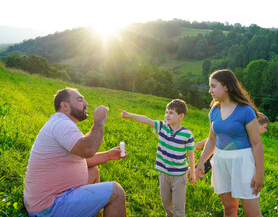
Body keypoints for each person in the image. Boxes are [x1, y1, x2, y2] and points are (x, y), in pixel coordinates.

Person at [24, 88, 127, 217]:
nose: (86, 103)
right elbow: (87, 149)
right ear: (64, 105)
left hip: (46, 201)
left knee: (93, 171)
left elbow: (82, 159)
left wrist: (108, 155)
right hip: (49, 207)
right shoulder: (61, 124)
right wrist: (99, 122)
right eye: (79, 100)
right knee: (116, 191)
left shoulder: (60, 122)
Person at [196, 69, 264, 217]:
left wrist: (259, 173)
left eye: (213, 86)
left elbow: (256, 143)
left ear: (226, 86)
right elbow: (212, 139)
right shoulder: (214, 110)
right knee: (229, 208)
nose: (210, 90)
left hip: (243, 162)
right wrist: (202, 161)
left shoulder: (245, 111)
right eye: (210, 87)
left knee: (252, 213)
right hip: (220, 161)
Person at [119, 99, 195, 217]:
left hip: (179, 176)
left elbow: (190, 153)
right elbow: (147, 120)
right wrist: (130, 115)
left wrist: (193, 172)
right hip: (163, 173)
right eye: (166, 112)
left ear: (181, 116)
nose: (167, 115)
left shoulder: (187, 134)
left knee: (178, 207)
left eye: (171, 113)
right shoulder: (162, 127)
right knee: (166, 203)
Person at [196, 112, 269, 178]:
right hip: (220, 154)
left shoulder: (254, 138)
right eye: (265, 127)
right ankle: (188, 173)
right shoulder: (244, 133)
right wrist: (202, 143)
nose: (266, 130)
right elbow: (218, 136)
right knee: (198, 170)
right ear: (258, 124)